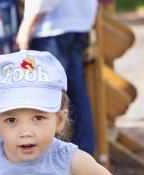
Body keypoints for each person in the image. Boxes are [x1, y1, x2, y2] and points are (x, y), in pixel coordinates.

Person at [16, 0, 98, 156]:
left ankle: (47, 156)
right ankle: (84, 155)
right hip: (80, 20)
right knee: (76, 94)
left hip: (52, 25)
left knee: (47, 96)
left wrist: (26, 25)